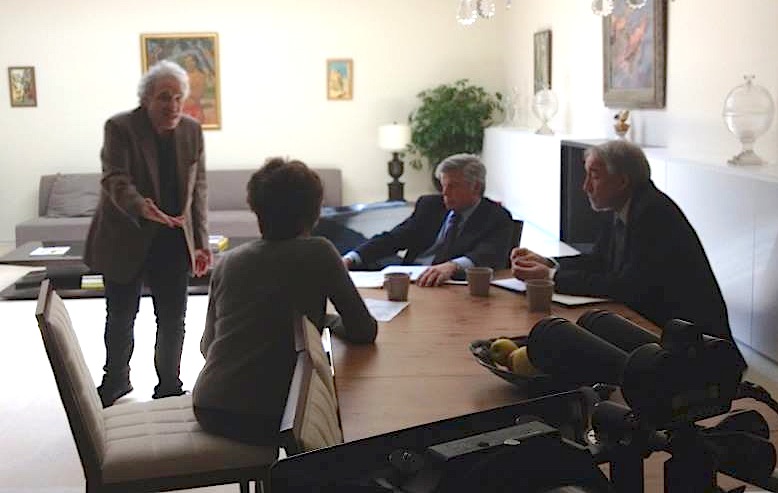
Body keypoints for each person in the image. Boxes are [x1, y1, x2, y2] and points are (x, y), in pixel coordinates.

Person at [193, 157, 377, 445]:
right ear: (314, 213)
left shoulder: (228, 261)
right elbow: (363, 330)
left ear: (256, 209)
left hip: (209, 404)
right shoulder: (319, 252)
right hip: (273, 414)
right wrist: (323, 321)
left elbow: (207, 346)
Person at [510, 140, 744, 363]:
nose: (585, 186)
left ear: (622, 181)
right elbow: (599, 261)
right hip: (654, 326)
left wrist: (550, 278)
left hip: (695, 345)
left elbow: (625, 287)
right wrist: (549, 263)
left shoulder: (653, 214)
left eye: (595, 175)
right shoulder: (624, 206)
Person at [84, 60, 212, 407]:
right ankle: (116, 381)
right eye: (163, 97)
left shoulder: (191, 131)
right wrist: (142, 206)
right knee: (122, 314)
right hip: (126, 233)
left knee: (173, 317)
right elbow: (115, 179)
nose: (172, 105)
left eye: (178, 97)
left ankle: (169, 384)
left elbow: (197, 191)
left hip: (172, 238)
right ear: (146, 100)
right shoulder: (120, 128)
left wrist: (200, 243)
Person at [342, 153, 514, 287]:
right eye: (443, 186)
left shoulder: (496, 217)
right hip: (412, 279)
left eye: (453, 186)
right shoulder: (430, 206)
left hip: (450, 287)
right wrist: (351, 258)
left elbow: (488, 254)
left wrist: (452, 266)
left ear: (475, 187)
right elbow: (394, 238)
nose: (445, 193)